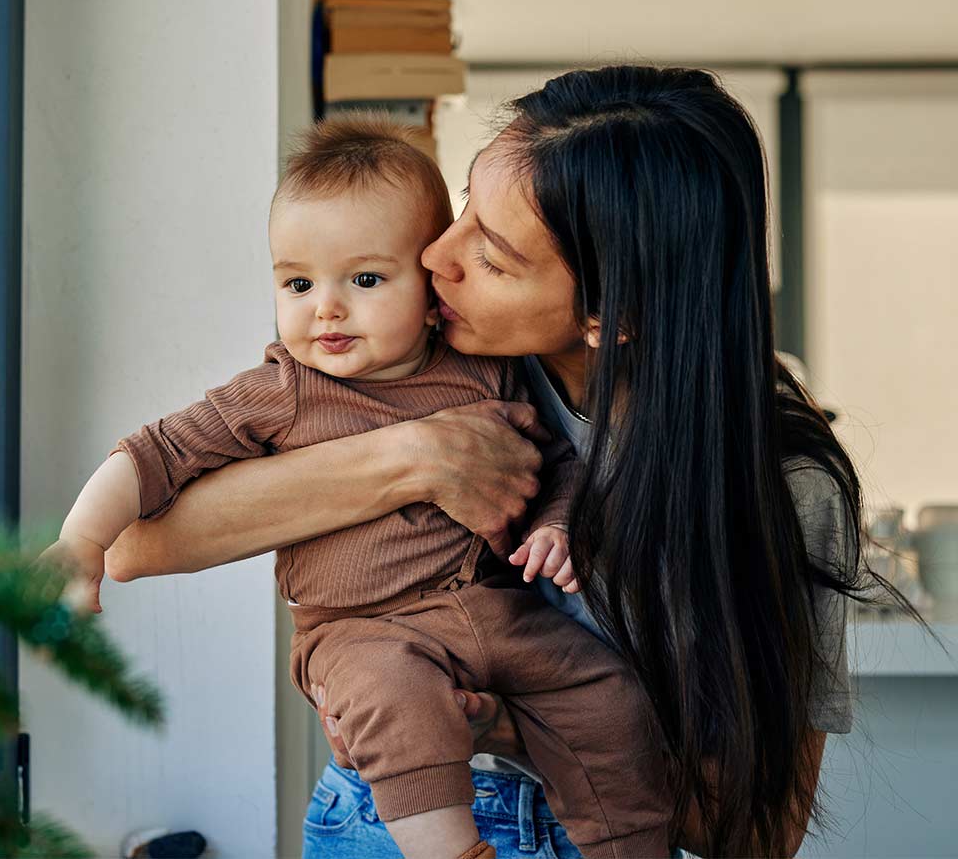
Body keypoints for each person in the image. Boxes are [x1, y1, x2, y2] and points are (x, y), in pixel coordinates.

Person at [106, 66, 897, 857]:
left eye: (493, 255)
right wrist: (416, 456)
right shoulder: (433, 358)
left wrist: (514, 727)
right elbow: (136, 543)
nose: (433, 260)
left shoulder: (783, 489)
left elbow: (763, 832)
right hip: (378, 823)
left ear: (607, 314)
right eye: (462, 213)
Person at [46, 116, 673, 859]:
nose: (326, 308)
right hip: (361, 629)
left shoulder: (490, 371)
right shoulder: (283, 390)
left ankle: (629, 845)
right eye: (297, 282)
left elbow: (558, 466)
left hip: (494, 613)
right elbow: (154, 455)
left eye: (365, 280)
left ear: (427, 288)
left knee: (607, 695)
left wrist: (558, 525)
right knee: (393, 701)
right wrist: (79, 541)